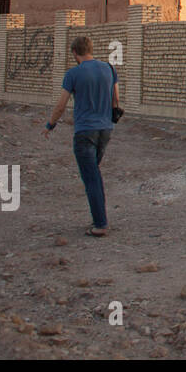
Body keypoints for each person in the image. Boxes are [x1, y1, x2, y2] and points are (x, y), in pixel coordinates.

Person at [43, 35, 118, 237]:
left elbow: (61, 105)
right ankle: (99, 218)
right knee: (94, 174)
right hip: (105, 130)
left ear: (75, 53)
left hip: (85, 131)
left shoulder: (73, 74)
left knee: (91, 177)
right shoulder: (110, 69)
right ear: (91, 49)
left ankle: (101, 224)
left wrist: (50, 124)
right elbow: (116, 100)